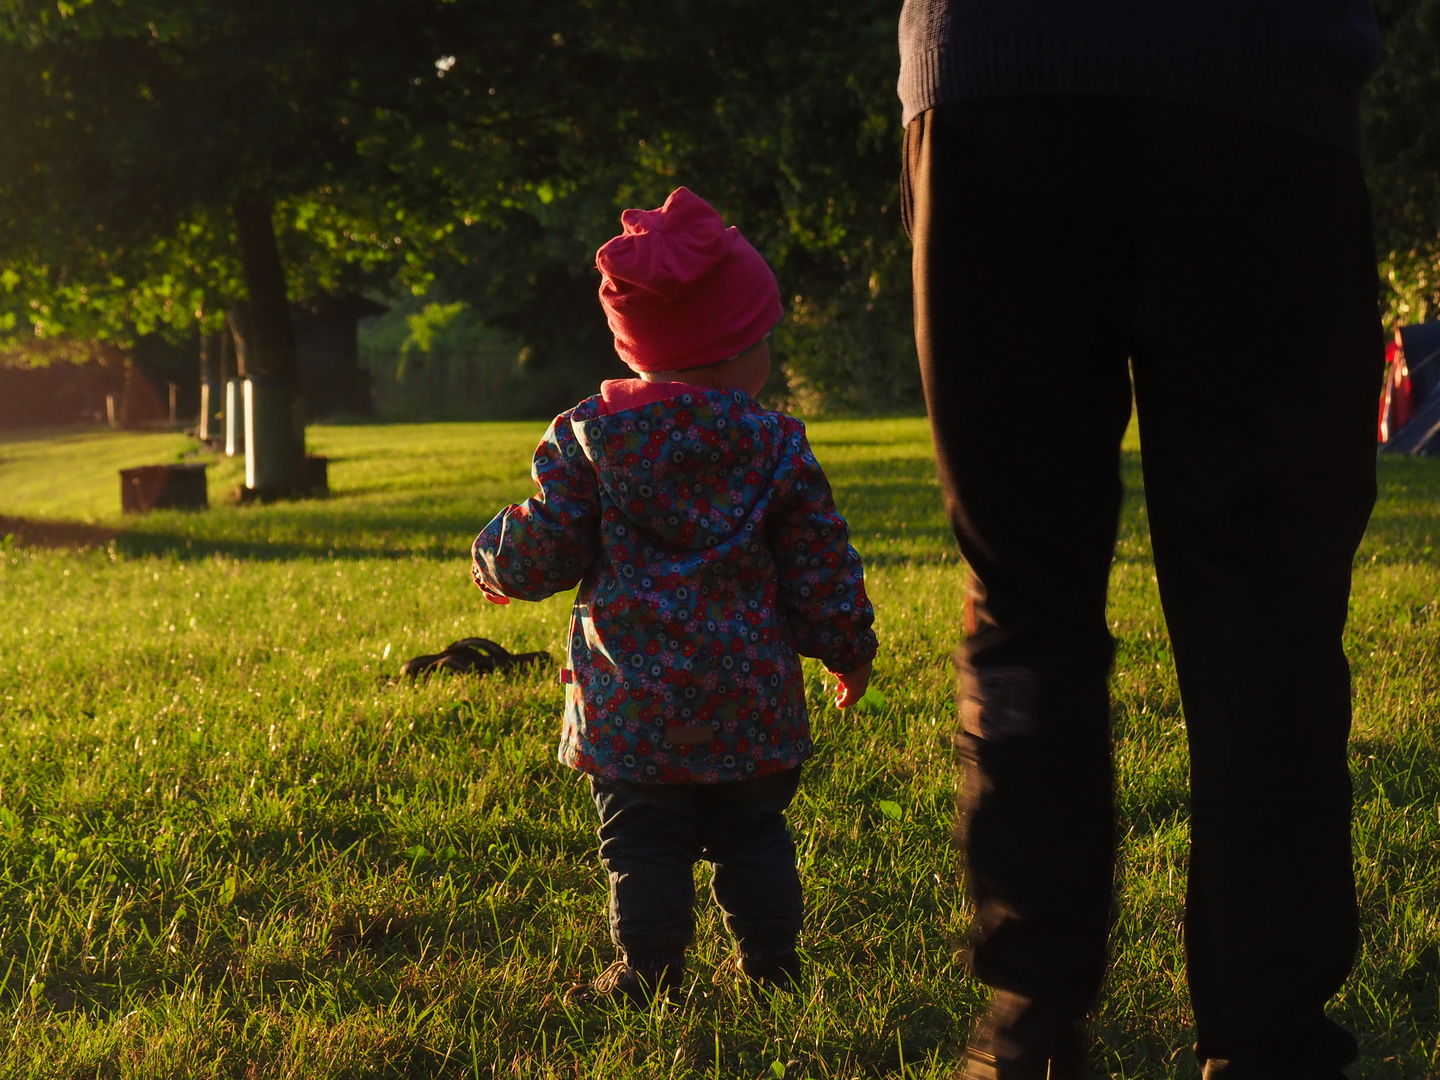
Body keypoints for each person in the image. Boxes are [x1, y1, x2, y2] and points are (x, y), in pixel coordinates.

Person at [897, 4, 1384, 1078]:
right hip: (1262, 73)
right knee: (1269, 609)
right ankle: (1272, 1046)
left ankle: (1028, 1031)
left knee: (1025, 595)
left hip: (1000, 62)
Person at [470, 187, 878, 1004]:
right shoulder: (775, 444)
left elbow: (543, 549)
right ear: (734, 351)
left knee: (642, 844)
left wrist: (492, 559)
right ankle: (772, 965)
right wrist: (847, 648)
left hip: (632, 708)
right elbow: (821, 562)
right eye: (762, 335)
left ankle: (647, 972)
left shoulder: (587, 439)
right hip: (750, 705)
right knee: (754, 834)